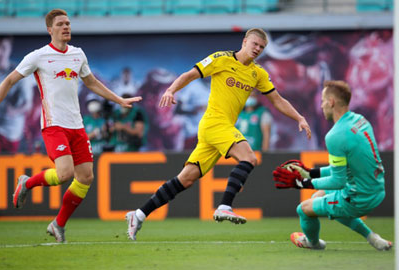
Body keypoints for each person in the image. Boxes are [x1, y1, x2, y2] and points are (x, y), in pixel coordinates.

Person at [125, 28, 311, 241]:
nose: (257, 49)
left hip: (217, 129)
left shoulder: (257, 73)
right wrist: (170, 90)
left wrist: (299, 118)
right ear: (244, 42)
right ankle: (224, 206)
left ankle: (138, 214)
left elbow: (277, 99)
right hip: (215, 122)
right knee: (249, 157)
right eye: (255, 44)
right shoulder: (220, 58)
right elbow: (190, 74)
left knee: (186, 179)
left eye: (261, 47)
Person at [0, 9, 141, 243]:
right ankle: (27, 182)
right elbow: (10, 80)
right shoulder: (38, 56)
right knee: (65, 173)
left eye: (68, 23)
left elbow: (91, 82)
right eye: (61, 24)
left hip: (77, 125)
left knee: (85, 177)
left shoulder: (78, 54)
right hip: (54, 125)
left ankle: (58, 224)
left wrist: (119, 100)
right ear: (49, 29)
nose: (66, 27)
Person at [272, 80, 392, 251]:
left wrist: (301, 183)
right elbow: (345, 169)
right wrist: (309, 173)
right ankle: (373, 238)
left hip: (359, 199)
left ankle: (313, 243)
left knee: (303, 209)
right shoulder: (360, 120)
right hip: (377, 188)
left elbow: (338, 181)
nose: (321, 106)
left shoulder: (335, 135)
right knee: (318, 199)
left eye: (322, 100)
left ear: (331, 102)